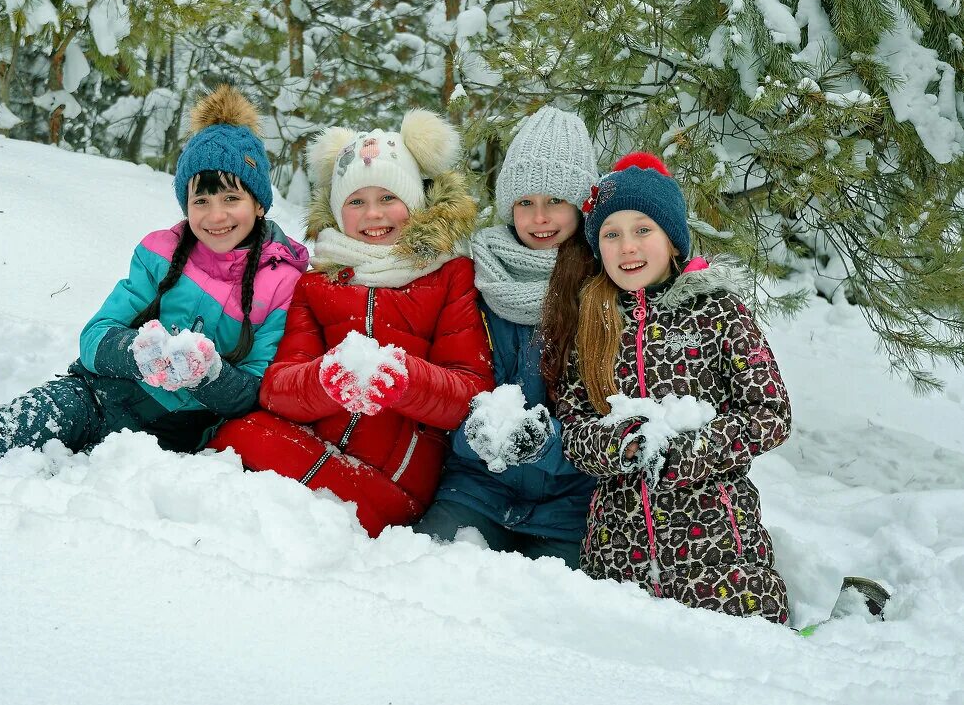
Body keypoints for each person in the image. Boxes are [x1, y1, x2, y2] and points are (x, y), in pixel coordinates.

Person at [0, 86, 309, 477]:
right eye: (201, 200)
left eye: (231, 199)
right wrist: (137, 351)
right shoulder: (160, 254)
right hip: (89, 400)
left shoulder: (281, 282)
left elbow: (256, 391)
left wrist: (207, 374)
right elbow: (93, 339)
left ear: (259, 201)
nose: (216, 215)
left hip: (169, 441)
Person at [209, 109, 495, 537]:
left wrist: (406, 380)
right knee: (235, 437)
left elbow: (472, 395)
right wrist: (325, 381)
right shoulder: (318, 281)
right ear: (338, 212)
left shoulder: (449, 276)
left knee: (236, 453)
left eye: (388, 198)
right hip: (310, 445)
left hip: (395, 480)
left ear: (416, 203)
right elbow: (277, 388)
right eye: (356, 202)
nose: (373, 215)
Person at [553, 151, 792, 623]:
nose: (628, 247)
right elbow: (574, 423)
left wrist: (689, 450)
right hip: (617, 553)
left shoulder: (718, 312)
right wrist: (621, 445)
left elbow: (771, 412)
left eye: (643, 230)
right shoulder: (593, 319)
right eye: (611, 234)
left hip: (719, 552)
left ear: (673, 240)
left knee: (740, 663)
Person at [414, 106, 599, 566]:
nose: (539, 217)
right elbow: (447, 376)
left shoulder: (602, 288)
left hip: (569, 505)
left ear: (580, 206)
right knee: (428, 580)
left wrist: (545, 443)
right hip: (475, 487)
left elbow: (611, 414)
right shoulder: (474, 277)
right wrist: (468, 431)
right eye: (524, 202)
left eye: (555, 201)